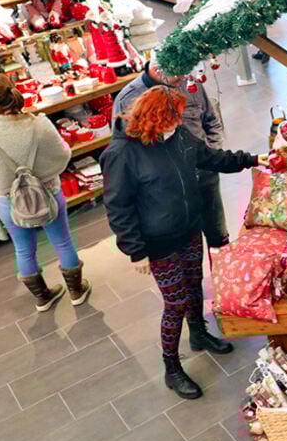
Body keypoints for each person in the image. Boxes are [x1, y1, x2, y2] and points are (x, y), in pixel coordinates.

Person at [101, 86, 267, 399]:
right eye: (173, 118)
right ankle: (172, 367)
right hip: (158, 243)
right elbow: (118, 206)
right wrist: (135, 251)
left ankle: (199, 333)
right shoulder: (122, 154)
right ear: (154, 119)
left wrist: (254, 159)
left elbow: (211, 157)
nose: (179, 122)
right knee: (175, 303)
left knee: (193, 284)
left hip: (189, 229)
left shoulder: (178, 137)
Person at [0, 73, 91, 312]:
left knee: (23, 249)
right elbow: (62, 155)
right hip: (48, 193)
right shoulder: (39, 123)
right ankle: (76, 291)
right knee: (62, 241)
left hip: (9, 203)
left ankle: (42, 297)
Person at [113, 53, 229, 249]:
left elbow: (212, 120)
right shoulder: (128, 98)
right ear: (158, 71)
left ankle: (225, 276)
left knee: (218, 237)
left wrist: (211, 153)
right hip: (168, 192)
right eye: (179, 74)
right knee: (185, 246)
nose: (184, 78)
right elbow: (125, 159)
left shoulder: (189, 83)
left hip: (204, 175)